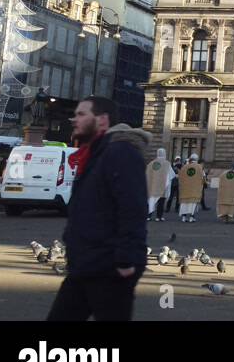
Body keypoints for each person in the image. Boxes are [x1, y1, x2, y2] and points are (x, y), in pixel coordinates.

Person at [47, 97, 150, 322]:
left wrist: (125, 259)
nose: (74, 119)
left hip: (109, 266)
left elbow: (132, 207)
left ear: (102, 120)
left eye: (81, 114)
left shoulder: (121, 153)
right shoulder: (96, 153)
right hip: (86, 262)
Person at [145, 149, 174, 222]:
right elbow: (171, 175)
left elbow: (147, 174)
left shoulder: (151, 163)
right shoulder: (166, 163)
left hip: (153, 186)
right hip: (162, 186)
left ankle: (148, 216)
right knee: (161, 202)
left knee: (151, 201)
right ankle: (159, 217)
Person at [177, 155, 207, 223]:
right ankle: (191, 217)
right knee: (192, 204)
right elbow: (203, 177)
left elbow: (180, 177)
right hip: (195, 189)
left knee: (184, 204)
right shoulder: (199, 167)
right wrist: (204, 183)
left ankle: (184, 217)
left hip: (185, 189)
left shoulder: (184, 167)